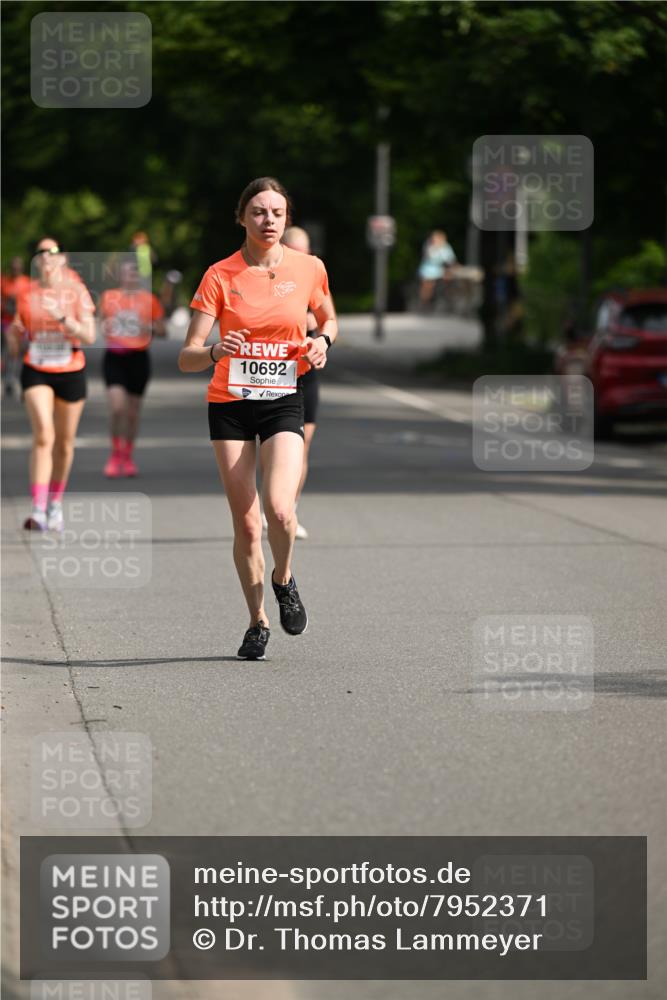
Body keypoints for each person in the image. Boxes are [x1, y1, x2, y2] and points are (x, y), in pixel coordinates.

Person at [179, 177, 337, 660]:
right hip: (229, 403)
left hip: (282, 399)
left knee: (281, 509)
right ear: (242, 218)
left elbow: (330, 319)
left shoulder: (309, 268)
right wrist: (211, 351)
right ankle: (257, 621)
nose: (268, 221)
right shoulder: (220, 275)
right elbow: (186, 355)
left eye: (277, 213)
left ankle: (284, 578)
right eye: (258, 212)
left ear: (287, 219)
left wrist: (321, 343)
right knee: (247, 525)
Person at [6, 238, 95, 531]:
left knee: (65, 444)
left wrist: (61, 317)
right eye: (40, 252)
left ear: (63, 259)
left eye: (52, 251)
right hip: (37, 368)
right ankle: (38, 509)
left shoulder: (76, 291)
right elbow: (16, 346)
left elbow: (89, 336)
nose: (45, 256)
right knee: (44, 434)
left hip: (70, 368)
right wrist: (14, 335)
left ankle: (55, 504)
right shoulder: (26, 293)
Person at [99, 259, 166, 477]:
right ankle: (115, 453)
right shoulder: (109, 297)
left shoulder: (149, 300)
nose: (132, 278)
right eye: (128, 274)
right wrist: (104, 327)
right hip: (115, 357)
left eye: (135, 275)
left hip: (139, 358)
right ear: (121, 277)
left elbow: (163, 330)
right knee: (117, 407)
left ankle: (127, 455)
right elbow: (99, 324)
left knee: (133, 412)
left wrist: (151, 327)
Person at [1, 256, 32, 396]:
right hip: (7, 320)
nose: (15, 269)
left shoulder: (27, 282)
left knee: (22, 351)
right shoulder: (4, 282)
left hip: (23, 321)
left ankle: (20, 379)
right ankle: (8, 379)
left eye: (18, 267)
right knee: (10, 348)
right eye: (13, 267)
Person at [418, 230, 457, 307]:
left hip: (440, 269)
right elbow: (430, 257)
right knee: (428, 284)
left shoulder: (446, 246)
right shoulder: (429, 246)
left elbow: (450, 260)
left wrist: (453, 267)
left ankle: (447, 298)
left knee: (450, 278)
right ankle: (425, 302)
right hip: (428, 269)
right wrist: (436, 247)